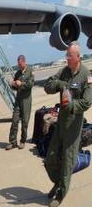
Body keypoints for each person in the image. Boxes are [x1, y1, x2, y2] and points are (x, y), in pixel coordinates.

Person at [44, 42, 92, 206]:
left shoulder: (86, 75)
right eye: (66, 55)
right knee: (50, 159)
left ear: (78, 57)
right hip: (60, 125)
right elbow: (48, 86)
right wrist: (59, 84)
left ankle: (60, 195)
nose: (67, 58)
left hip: (73, 126)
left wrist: (71, 105)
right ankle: (58, 183)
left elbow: (86, 102)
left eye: (69, 56)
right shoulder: (64, 71)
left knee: (67, 162)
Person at [6, 55, 34, 150]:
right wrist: (12, 84)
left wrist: (21, 84)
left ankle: (22, 141)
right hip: (18, 100)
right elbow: (14, 86)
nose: (19, 66)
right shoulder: (17, 73)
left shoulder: (30, 71)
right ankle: (12, 142)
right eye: (18, 64)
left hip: (26, 100)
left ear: (24, 62)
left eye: (20, 64)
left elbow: (31, 84)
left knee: (25, 122)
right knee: (14, 120)